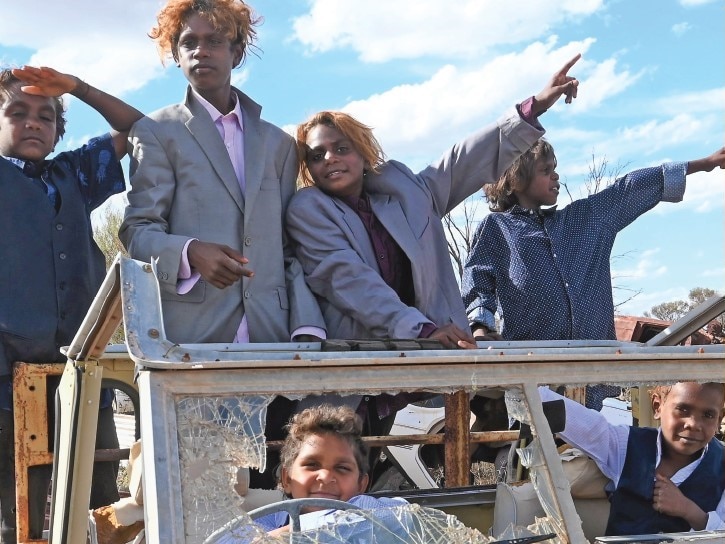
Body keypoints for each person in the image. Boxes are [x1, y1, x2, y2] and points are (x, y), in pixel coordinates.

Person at [118, 0, 325, 490]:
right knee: (193, 493)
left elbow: (291, 246)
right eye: (189, 42)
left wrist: (305, 325)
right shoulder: (157, 131)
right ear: (175, 54)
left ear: (236, 50)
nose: (201, 52)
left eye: (213, 41)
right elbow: (137, 231)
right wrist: (191, 251)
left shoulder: (278, 144)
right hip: (193, 342)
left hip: (270, 340)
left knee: (268, 492)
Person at [286, 56, 580, 353]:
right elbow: (348, 280)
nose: (330, 158)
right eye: (316, 155)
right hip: (359, 363)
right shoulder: (309, 210)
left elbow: (462, 161)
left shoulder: (403, 192)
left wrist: (536, 106)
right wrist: (421, 330)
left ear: (363, 154)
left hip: (431, 355)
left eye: (341, 148)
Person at [462, 140, 725, 409]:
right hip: (531, 375)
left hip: (591, 372)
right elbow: (478, 279)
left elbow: (629, 188)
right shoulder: (498, 228)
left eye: (556, 168)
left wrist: (704, 164)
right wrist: (480, 328)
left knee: (584, 448)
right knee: (530, 446)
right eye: (546, 170)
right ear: (517, 179)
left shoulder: (586, 220)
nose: (556, 175)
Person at [0, 66, 142, 543]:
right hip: (7, 380)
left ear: (60, 130)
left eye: (45, 115)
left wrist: (77, 89)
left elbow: (137, 128)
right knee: (19, 505)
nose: (33, 123)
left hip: (83, 370)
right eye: (17, 113)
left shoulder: (75, 175)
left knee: (102, 500)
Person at [538, 382, 725, 534]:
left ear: (719, 419)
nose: (693, 424)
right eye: (683, 410)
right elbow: (580, 423)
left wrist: (690, 511)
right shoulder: (626, 445)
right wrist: (524, 390)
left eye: (708, 415)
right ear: (657, 406)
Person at [255, 404, 407, 536]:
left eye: (342, 468)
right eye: (312, 464)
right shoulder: (260, 523)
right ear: (287, 478)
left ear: (361, 484)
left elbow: (403, 515)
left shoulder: (372, 513)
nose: (326, 477)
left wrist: (289, 534)